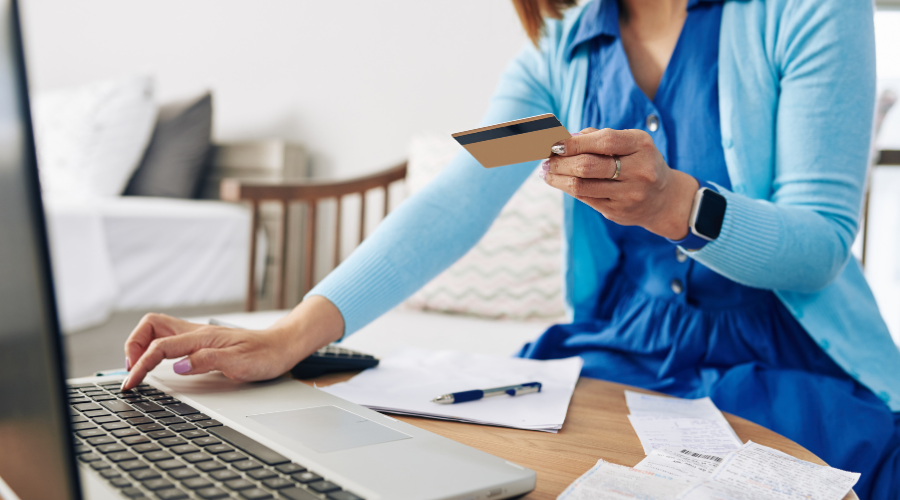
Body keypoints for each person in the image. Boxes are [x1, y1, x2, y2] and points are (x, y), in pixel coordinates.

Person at [120, 0, 900, 496]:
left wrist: (676, 205)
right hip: (611, 356)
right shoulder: (560, 52)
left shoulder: (807, 12)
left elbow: (819, 248)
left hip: (788, 361)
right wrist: (291, 334)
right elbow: (456, 197)